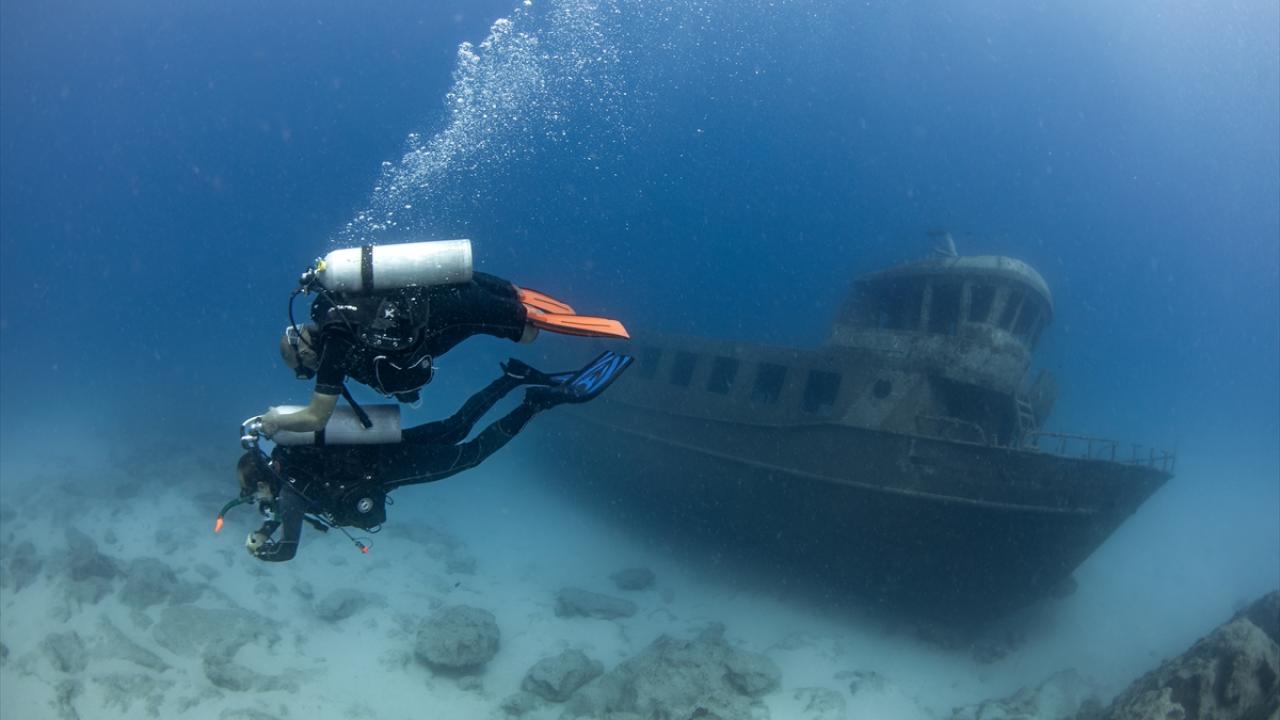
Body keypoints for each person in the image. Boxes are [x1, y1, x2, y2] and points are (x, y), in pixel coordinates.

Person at [227, 350, 633, 562]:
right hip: (383, 445)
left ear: (262, 481)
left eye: (256, 495)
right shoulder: (289, 453)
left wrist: (259, 547)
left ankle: (535, 404)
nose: (264, 502)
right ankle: (509, 378)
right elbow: (278, 514)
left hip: (393, 469)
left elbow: (288, 548)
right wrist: (267, 526)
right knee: (455, 425)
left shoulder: (290, 494)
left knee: (470, 453)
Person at [244, 240, 629, 440]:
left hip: (445, 313)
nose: (312, 373)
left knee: (527, 331)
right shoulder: (326, 307)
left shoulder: (334, 338)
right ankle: (521, 299)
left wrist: (273, 422)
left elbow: (317, 416)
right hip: (440, 287)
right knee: (512, 297)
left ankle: (583, 324)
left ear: (304, 349)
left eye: (303, 369)